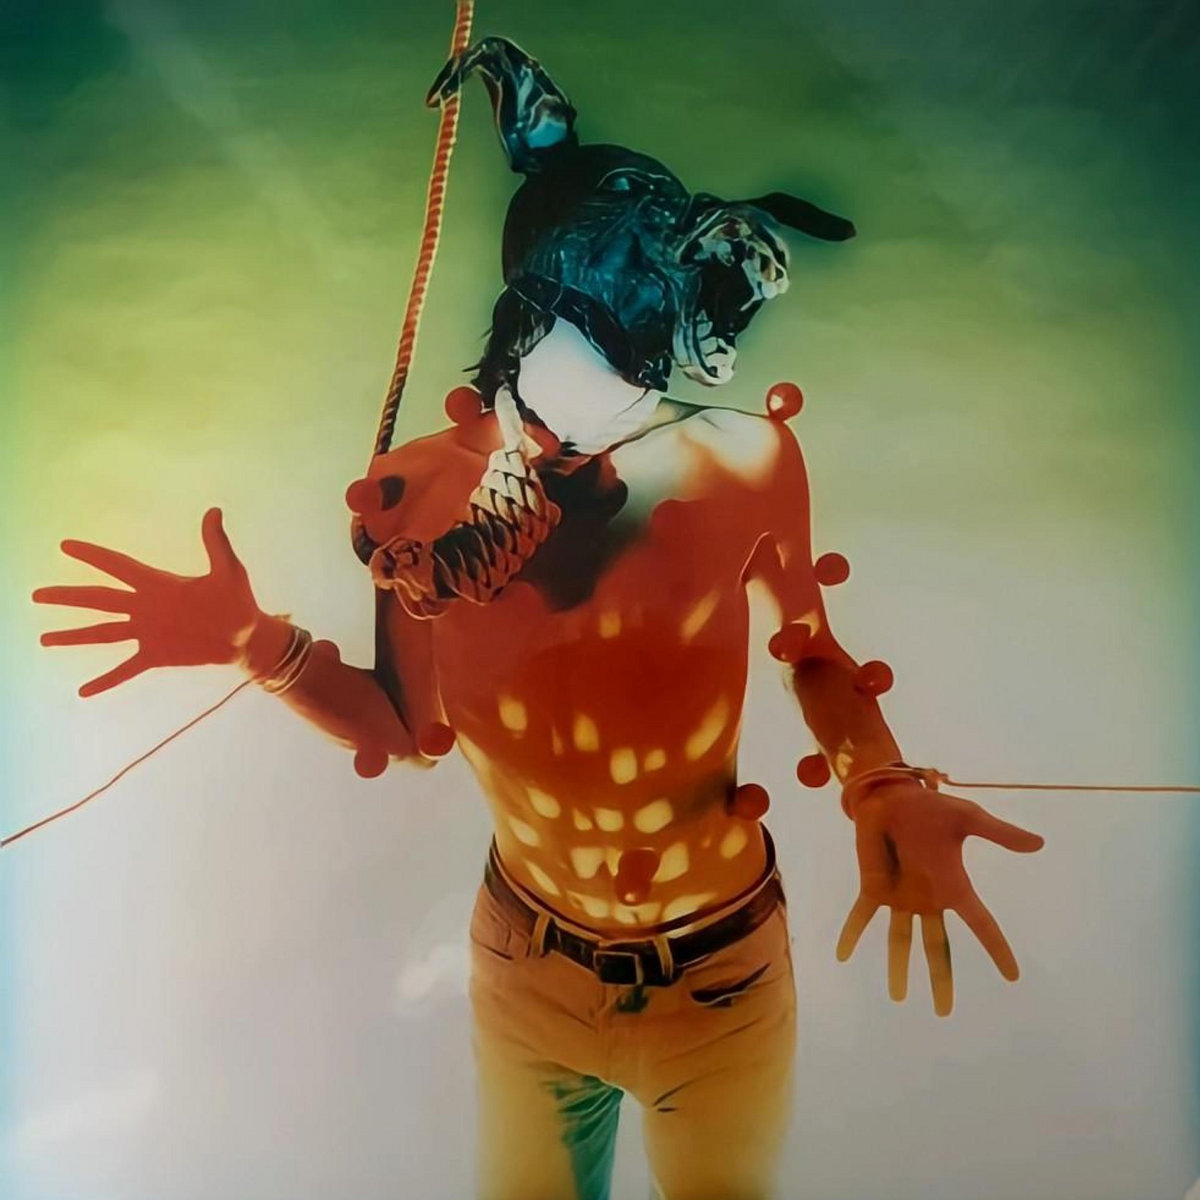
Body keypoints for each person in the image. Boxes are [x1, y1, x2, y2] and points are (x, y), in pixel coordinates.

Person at [32, 37, 1043, 1200]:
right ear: (518, 329)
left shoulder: (742, 463)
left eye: (621, 392)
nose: (574, 439)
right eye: (555, 386)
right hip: (526, 973)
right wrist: (257, 646)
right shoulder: (419, 496)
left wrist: (881, 779)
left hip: (722, 975)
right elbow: (408, 725)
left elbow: (808, 650)